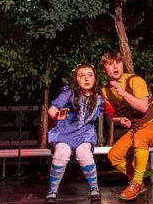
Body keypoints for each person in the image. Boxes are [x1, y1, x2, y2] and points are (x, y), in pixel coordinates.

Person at [101, 50, 153, 201]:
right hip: (138, 129)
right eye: (110, 64)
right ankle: (139, 184)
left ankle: (136, 182)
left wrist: (123, 93)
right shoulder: (106, 91)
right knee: (114, 156)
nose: (115, 67)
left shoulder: (134, 80)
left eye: (118, 63)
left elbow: (143, 107)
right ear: (104, 69)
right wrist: (121, 119)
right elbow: (110, 115)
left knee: (140, 137)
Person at [44, 63, 106, 203]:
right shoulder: (68, 92)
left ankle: (94, 189)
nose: (86, 79)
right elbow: (52, 109)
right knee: (61, 153)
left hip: (84, 133)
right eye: (81, 75)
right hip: (65, 132)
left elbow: (112, 113)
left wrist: (123, 119)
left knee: (84, 153)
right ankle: (52, 190)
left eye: (90, 75)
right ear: (76, 79)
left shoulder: (100, 98)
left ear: (95, 78)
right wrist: (56, 115)